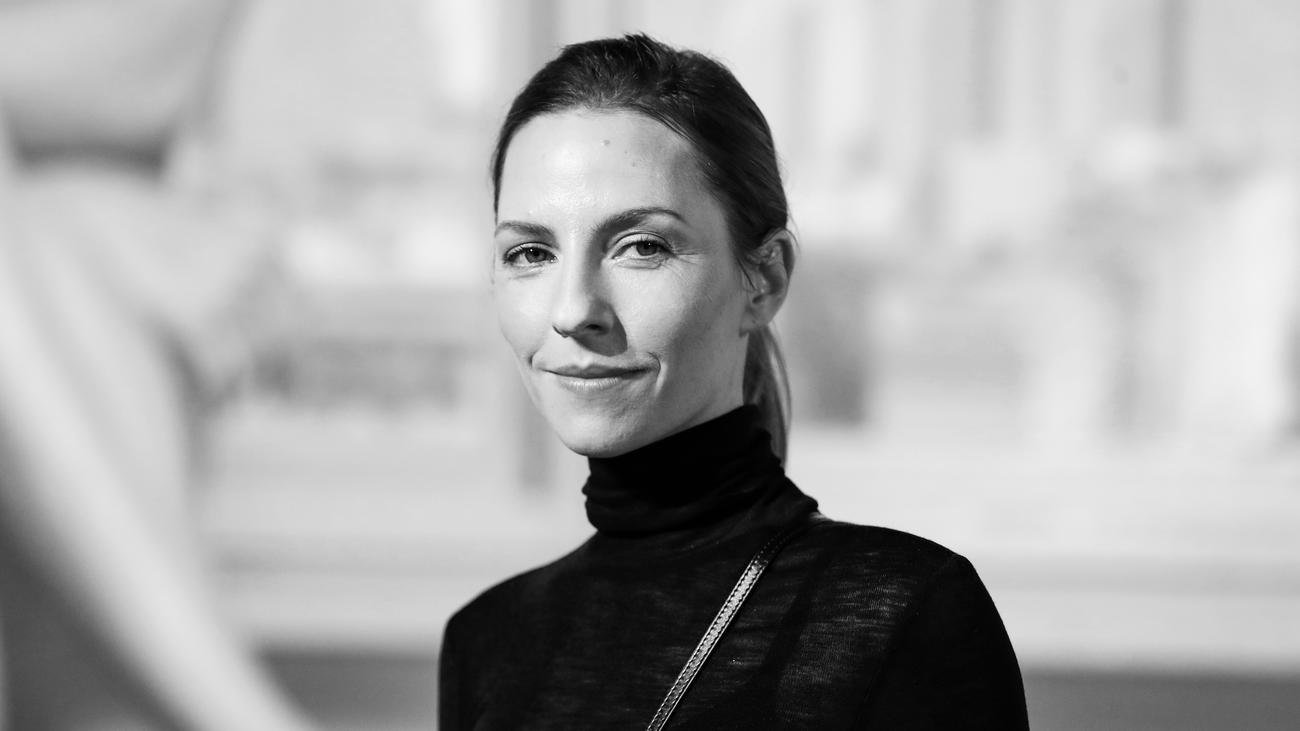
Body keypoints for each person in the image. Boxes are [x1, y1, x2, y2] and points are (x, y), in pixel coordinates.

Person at [439, 34, 1028, 729]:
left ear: (765, 279)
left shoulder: (902, 613)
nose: (572, 311)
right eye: (530, 252)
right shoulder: (487, 640)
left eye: (642, 246)